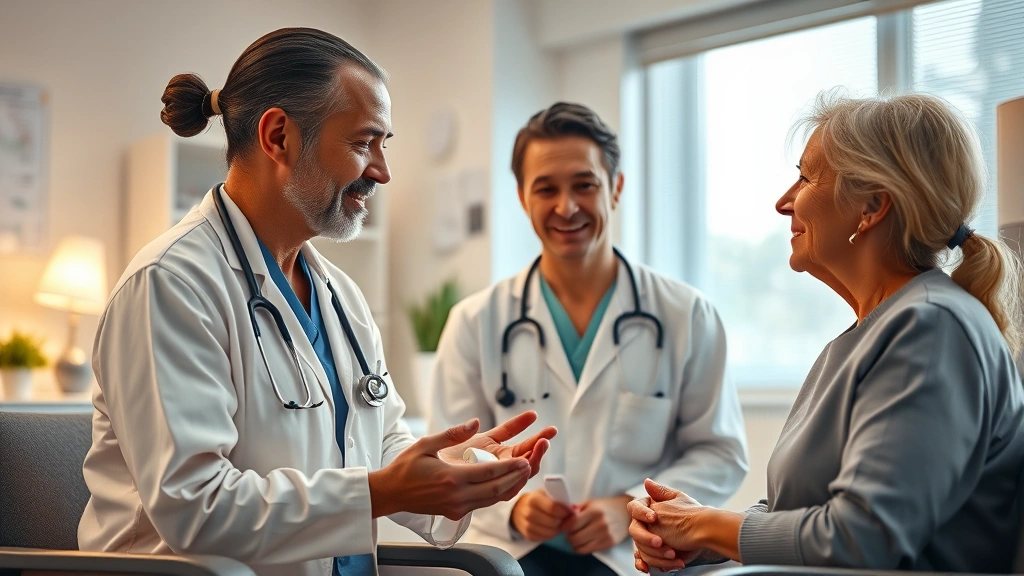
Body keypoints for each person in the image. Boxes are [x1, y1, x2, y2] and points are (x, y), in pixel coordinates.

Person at [77, 28, 556, 576]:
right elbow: (196, 509)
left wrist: (457, 468)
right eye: (363, 143)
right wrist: (383, 492)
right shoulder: (170, 285)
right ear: (279, 136)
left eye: (384, 144)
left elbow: (380, 441)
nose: (382, 171)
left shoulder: (339, 295)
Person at [629, 92, 1024, 574]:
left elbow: (863, 538)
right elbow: (803, 510)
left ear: (872, 206)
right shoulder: (869, 335)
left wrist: (703, 525)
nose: (783, 202)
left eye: (805, 177)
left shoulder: (931, 329)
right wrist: (703, 537)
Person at [428, 102, 748, 576]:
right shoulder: (475, 321)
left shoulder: (686, 314)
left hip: (634, 556)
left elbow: (721, 452)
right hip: (513, 556)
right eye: (546, 189)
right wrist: (512, 507)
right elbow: (448, 455)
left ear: (615, 188)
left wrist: (631, 507)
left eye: (585, 185)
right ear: (522, 197)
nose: (567, 207)